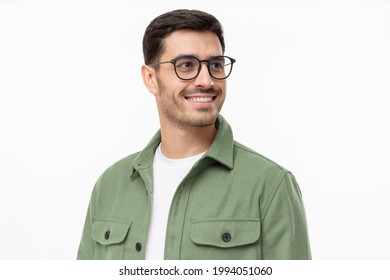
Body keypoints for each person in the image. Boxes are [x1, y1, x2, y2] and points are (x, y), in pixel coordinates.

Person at [77, 9, 311, 260]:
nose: (207, 80)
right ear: (150, 78)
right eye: (186, 65)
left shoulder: (271, 185)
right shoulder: (111, 185)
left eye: (216, 65)